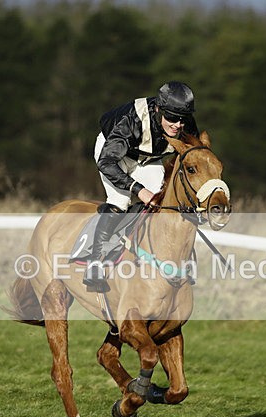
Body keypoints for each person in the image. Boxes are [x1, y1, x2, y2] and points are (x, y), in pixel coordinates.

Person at [83, 81, 200, 288]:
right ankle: (96, 262)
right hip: (113, 154)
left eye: (182, 119)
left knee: (164, 204)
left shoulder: (184, 124)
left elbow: (195, 158)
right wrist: (138, 189)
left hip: (147, 158)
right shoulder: (131, 120)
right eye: (171, 118)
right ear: (158, 109)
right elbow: (106, 163)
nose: (177, 125)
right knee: (120, 200)